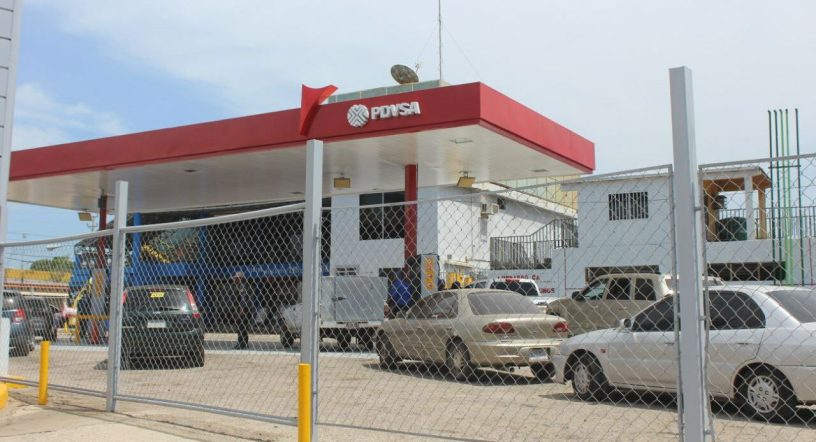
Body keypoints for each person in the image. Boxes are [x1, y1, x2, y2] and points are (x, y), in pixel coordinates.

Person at [233, 272, 251, 349]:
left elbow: (243, 298)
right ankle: (244, 343)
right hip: (243, 309)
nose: (234, 280)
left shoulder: (242, 286)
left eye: (236, 278)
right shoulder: (241, 285)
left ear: (240, 278)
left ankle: (241, 343)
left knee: (241, 327)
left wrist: (242, 309)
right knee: (243, 327)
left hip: (243, 309)